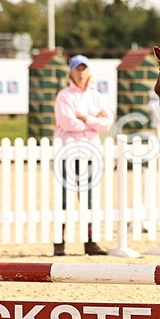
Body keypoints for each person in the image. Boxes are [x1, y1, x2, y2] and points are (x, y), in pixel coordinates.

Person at [53, 54, 112, 255]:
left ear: (89, 71)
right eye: (77, 69)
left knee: (89, 199)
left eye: (83, 68)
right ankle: (59, 242)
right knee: (63, 199)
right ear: (71, 71)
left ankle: (90, 240)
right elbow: (67, 122)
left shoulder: (96, 96)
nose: (81, 72)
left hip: (88, 153)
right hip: (67, 153)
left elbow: (107, 122)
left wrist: (85, 118)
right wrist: (93, 120)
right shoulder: (64, 96)